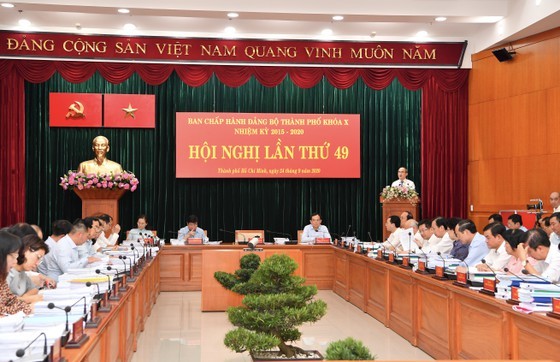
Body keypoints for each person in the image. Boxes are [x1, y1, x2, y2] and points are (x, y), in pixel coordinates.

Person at [7, 234, 50, 303]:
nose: (37, 263)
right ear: (26, 249)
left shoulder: (22, 272)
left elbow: (34, 289)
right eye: (38, 257)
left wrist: (23, 298)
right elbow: (4, 301)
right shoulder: (7, 271)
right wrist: (28, 299)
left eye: (40, 260)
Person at [0, 230, 33, 315]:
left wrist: (28, 308)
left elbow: (10, 299)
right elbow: (1, 309)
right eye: (14, 256)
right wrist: (27, 309)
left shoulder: (1, 277)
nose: (15, 262)